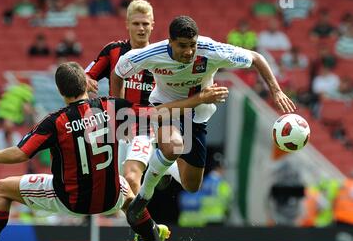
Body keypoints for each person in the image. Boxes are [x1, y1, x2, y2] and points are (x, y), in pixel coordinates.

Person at [0, 62, 226, 241]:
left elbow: (21, 153)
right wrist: (199, 100)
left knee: (1, 189)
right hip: (109, 196)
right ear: (86, 84)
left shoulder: (55, 121)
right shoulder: (111, 107)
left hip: (70, 201)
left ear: (61, 92)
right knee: (128, 193)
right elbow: (159, 112)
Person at [112, 15, 296, 224]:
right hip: (166, 108)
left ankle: (162, 162)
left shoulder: (210, 50)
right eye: (182, 46)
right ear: (170, 42)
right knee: (173, 147)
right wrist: (120, 111)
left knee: (191, 185)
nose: (189, 51)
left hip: (198, 115)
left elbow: (255, 57)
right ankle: (144, 197)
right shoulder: (153, 54)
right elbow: (119, 71)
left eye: (192, 45)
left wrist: (276, 91)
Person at [85, 0, 176, 241]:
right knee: (119, 190)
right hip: (117, 125)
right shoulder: (113, 51)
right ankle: (153, 229)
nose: (141, 28)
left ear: (153, 26)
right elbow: (88, 75)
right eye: (136, 23)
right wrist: (87, 80)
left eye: (145, 24)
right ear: (127, 25)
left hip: (147, 124)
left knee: (132, 178)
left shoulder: (162, 55)